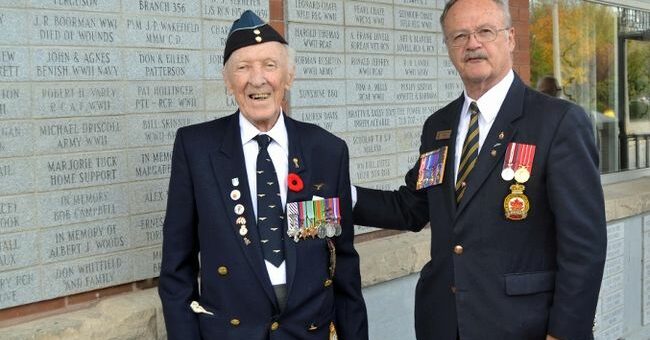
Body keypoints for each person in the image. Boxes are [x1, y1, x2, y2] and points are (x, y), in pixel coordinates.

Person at [352, 0, 607, 339]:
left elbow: (584, 244)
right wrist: (340, 194)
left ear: (511, 38)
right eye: (459, 35)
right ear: (448, 47)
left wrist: (564, 332)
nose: (472, 44)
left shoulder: (557, 122)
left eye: (485, 31)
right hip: (444, 323)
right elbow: (412, 208)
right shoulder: (439, 127)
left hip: (524, 325)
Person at [159, 10, 368, 340]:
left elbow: (343, 264)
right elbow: (176, 269)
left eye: (270, 66)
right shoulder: (196, 148)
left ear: (289, 77)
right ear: (228, 82)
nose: (257, 80)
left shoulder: (327, 150)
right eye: (243, 68)